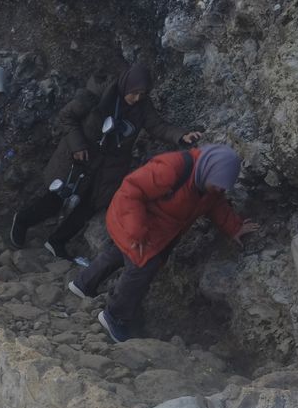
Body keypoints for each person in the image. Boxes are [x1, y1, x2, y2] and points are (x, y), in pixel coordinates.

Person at [69, 144, 258, 343]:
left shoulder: (210, 187)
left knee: (119, 253)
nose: (219, 189)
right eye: (218, 184)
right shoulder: (173, 167)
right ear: (209, 170)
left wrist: (234, 227)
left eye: (223, 186)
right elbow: (131, 191)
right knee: (142, 267)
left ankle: (82, 284)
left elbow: (216, 205)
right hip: (133, 220)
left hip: (158, 231)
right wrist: (136, 231)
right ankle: (114, 316)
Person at [10, 64, 201, 259]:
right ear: (126, 86)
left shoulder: (143, 106)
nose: (137, 99)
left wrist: (181, 135)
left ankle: (57, 241)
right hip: (80, 156)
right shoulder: (97, 95)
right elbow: (66, 118)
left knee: (88, 207)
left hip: (108, 168)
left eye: (142, 94)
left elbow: (157, 126)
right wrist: (78, 146)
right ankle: (23, 220)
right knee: (57, 197)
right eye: (134, 93)